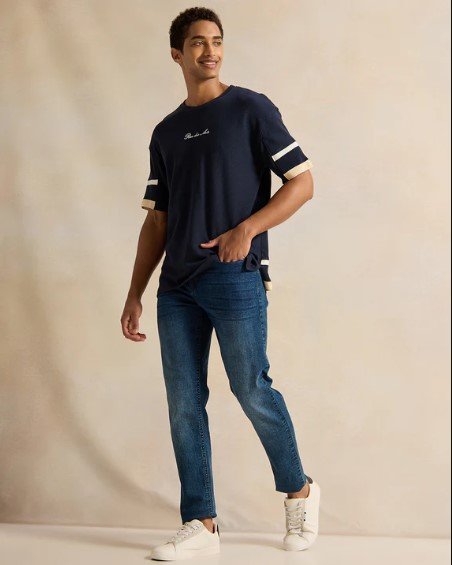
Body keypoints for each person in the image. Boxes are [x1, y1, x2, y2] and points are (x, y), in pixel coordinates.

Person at [120, 6, 321, 561]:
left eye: (216, 40)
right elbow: (157, 221)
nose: (209, 50)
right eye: (197, 42)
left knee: (251, 388)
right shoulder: (165, 132)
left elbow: (302, 182)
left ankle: (300, 492)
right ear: (177, 54)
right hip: (176, 289)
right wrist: (135, 292)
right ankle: (201, 522)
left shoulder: (250, 108)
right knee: (184, 405)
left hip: (234, 276)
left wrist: (246, 230)